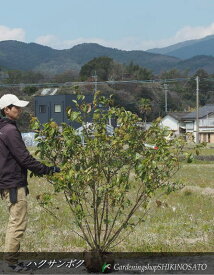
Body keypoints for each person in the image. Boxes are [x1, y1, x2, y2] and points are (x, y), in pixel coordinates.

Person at [0, 94, 60, 273]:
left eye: (19, 107)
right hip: (13, 183)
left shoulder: (3, 129)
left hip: (6, 182)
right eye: (15, 107)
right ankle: (11, 263)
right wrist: (47, 169)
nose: (19, 110)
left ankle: (10, 260)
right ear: (6, 110)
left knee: (14, 221)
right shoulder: (10, 131)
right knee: (17, 223)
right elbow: (24, 158)